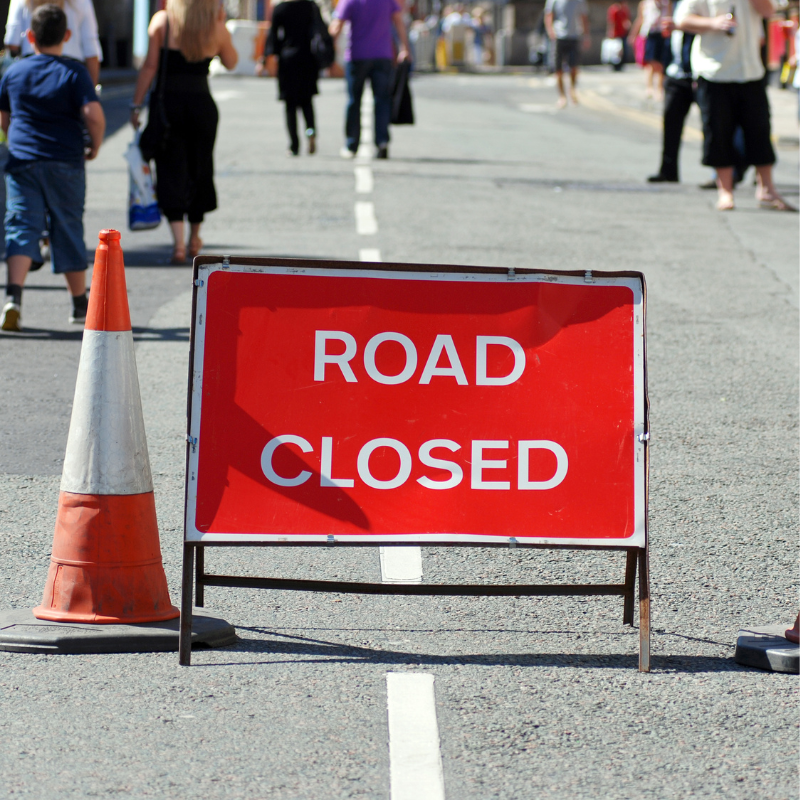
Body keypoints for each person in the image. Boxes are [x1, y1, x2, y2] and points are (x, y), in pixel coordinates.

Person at [0, 4, 104, 333]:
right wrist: (95, 144)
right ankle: (78, 303)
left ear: (30, 36)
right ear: (67, 36)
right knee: (68, 225)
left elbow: (4, 119)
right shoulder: (74, 73)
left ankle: (13, 297)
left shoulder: (13, 72)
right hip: (65, 160)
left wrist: (11, 138)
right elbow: (93, 114)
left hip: (22, 162)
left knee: (20, 224)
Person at [129, 0, 237, 264]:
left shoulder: (162, 22)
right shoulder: (215, 27)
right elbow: (232, 62)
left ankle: (178, 244)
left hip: (168, 107)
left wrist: (136, 104)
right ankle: (195, 238)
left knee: (169, 169)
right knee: (200, 167)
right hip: (201, 105)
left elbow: (150, 67)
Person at [675, 0, 795, 210]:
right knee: (718, 133)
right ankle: (725, 192)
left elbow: (769, 11)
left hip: (750, 71)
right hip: (714, 72)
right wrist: (712, 23)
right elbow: (681, 19)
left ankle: (767, 190)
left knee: (759, 131)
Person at [329, 0, 411, 159]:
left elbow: (337, 27)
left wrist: (328, 47)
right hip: (382, 55)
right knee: (382, 100)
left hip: (357, 56)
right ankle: (382, 142)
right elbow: (398, 21)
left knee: (354, 101)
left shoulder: (350, 1)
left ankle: (351, 144)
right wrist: (404, 47)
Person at [258, 0, 320, 157]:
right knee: (307, 102)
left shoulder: (280, 8)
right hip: (308, 59)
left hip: (288, 60)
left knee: (290, 105)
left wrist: (265, 58)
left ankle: (294, 145)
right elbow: (321, 30)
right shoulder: (311, 6)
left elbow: (273, 35)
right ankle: (310, 131)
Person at [4, 0, 102, 85]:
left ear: (30, 36)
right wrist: (91, 92)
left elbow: (12, 42)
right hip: (71, 73)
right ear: (66, 35)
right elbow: (91, 49)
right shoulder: (81, 2)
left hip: (31, 73)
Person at [648, 4, 695, 181]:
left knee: (714, 124)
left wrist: (679, 24)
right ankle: (668, 171)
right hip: (676, 74)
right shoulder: (675, 4)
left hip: (700, 74)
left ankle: (724, 174)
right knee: (670, 122)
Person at [544, 0, 590, 108]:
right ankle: (562, 96)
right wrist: (551, 33)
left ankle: (572, 89)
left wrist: (586, 35)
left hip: (574, 36)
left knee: (574, 67)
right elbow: (549, 15)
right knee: (558, 69)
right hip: (559, 37)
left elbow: (584, 17)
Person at [629, 0, 670, 98]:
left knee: (661, 62)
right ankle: (649, 87)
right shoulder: (645, 3)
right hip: (649, 34)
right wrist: (633, 34)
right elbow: (640, 19)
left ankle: (660, 88)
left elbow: (669, 17)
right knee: (649, 61)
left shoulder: (666, 3)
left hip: (662, 35)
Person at [606, 0, 631, 70]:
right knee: (616, 50)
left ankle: (621, 65)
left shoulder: (624, 10)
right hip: (616, 33)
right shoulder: (614, 9)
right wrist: (611, 31)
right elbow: (612, 22)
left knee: (623, 50)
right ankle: (615, 65)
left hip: (623, 33)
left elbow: (626, 20)